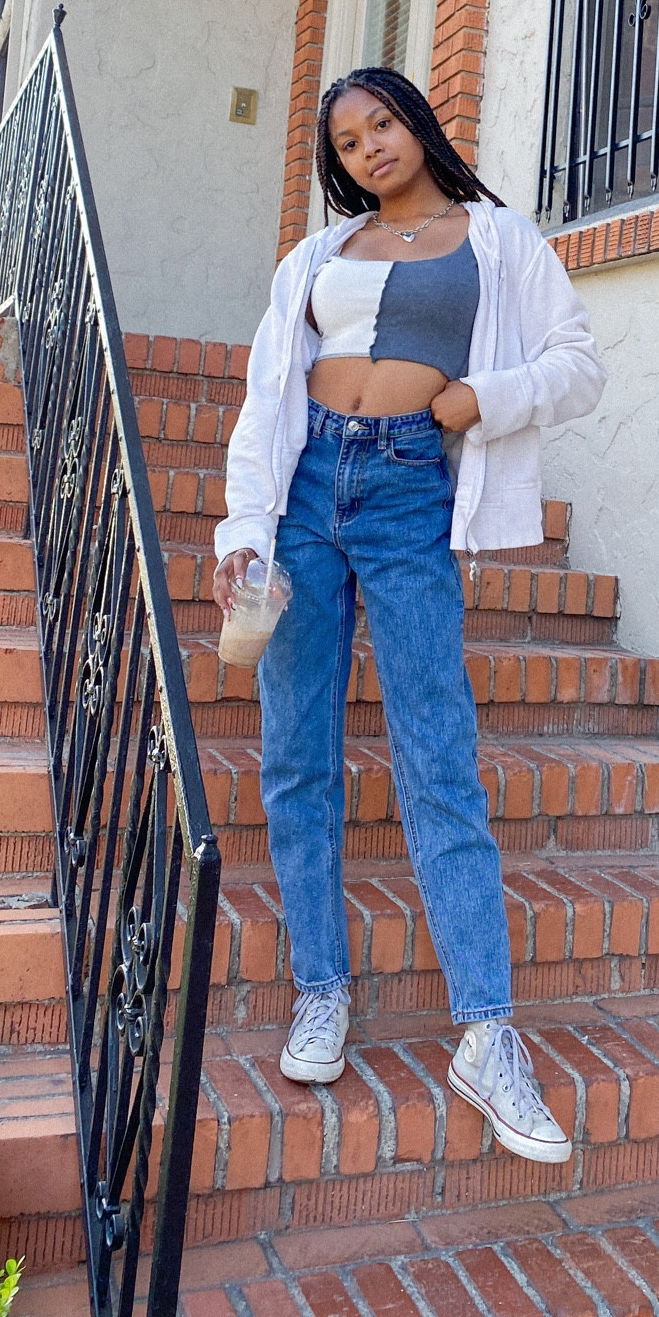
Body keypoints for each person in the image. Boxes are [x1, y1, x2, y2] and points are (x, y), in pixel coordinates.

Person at [214, 67, 606, 1163]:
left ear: (417, 123)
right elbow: (265, 396)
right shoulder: (316, 258)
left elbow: (578, 364)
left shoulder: (498, 240)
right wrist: (245, 523)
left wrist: (483, 397)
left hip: (407, 491)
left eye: (380, 123)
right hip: (306, 493)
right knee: (296, 752)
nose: (368, 148)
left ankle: (487, 1032)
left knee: (437, 753)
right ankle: (321, 990)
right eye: (346, 141)